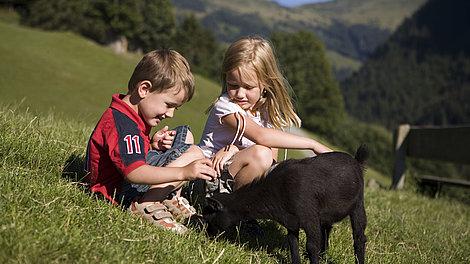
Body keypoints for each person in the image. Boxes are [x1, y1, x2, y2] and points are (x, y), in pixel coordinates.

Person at [85, 49, 216, 234]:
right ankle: (146, 204)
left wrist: (153, 145)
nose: (170, 114)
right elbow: (135, 173)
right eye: (169, 105)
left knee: (184, 134)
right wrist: (184, 173)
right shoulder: (123, 124)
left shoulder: (129, 115)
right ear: (144, 89)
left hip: (127, 182)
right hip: (121, 192)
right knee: (194, 153)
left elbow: (128, 152)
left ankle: (168, 196)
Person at [198, 36, 332, 195]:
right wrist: (312, 144)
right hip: (207, 178)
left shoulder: (268, 112)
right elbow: (261, 137)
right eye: (233, 85)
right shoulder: (225, 106)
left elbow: (270, 162)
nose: (240, 94)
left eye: (248, 87)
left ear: (265, 84)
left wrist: (234, 150)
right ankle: (236, 208)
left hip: (231, 179)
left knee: (276, 164)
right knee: (261, 153)